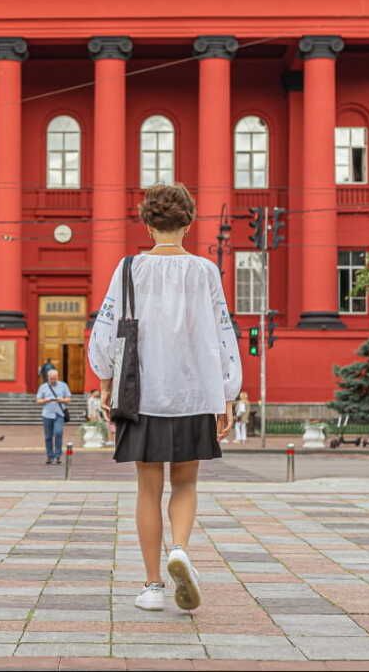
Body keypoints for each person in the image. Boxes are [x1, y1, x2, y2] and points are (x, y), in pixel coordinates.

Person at [89, 182, 239, 614]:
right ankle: (180, 549)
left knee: (147, 488)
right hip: (194, 393)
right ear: (189, 223)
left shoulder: (128, 269)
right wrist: (227, 394)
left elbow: (108, 330)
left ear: (147, 224)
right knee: (186, 482)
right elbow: (222, 332)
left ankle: (153, 585)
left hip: (143, 395)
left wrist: (105, 380)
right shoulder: (205, 272)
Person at [36, 369, 71, 465]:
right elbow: (38, 400)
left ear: (57, 377)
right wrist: (46, 400)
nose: (53, 380)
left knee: (58, 433)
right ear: (48, 378)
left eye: (54, 378)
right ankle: (50, 456)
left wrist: (61, 400)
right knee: (48, 436)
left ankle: (58, 455)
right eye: (51, 379)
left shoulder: (63, 385)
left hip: (59, 414)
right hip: (47, 414)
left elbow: (68, 399)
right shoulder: (43, 387)